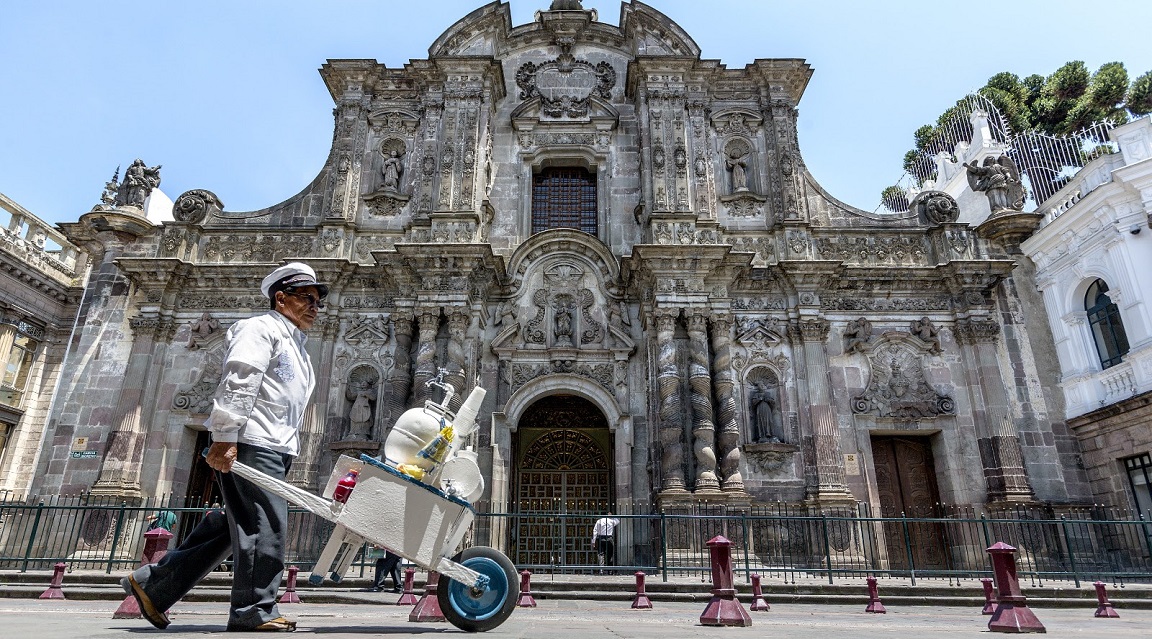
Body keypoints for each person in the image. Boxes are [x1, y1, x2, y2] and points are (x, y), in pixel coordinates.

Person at [121, 262, 328, 633]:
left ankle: (154, 583)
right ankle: (253, 610)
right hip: (254, 442)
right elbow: (239, 378)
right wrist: (225, 436)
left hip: (275, 445)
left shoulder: (295, 341)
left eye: (318, 300)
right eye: (306, 298)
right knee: (265, 526)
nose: (315, 306)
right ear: (281, 299)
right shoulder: (260, 328)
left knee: (231, 525)